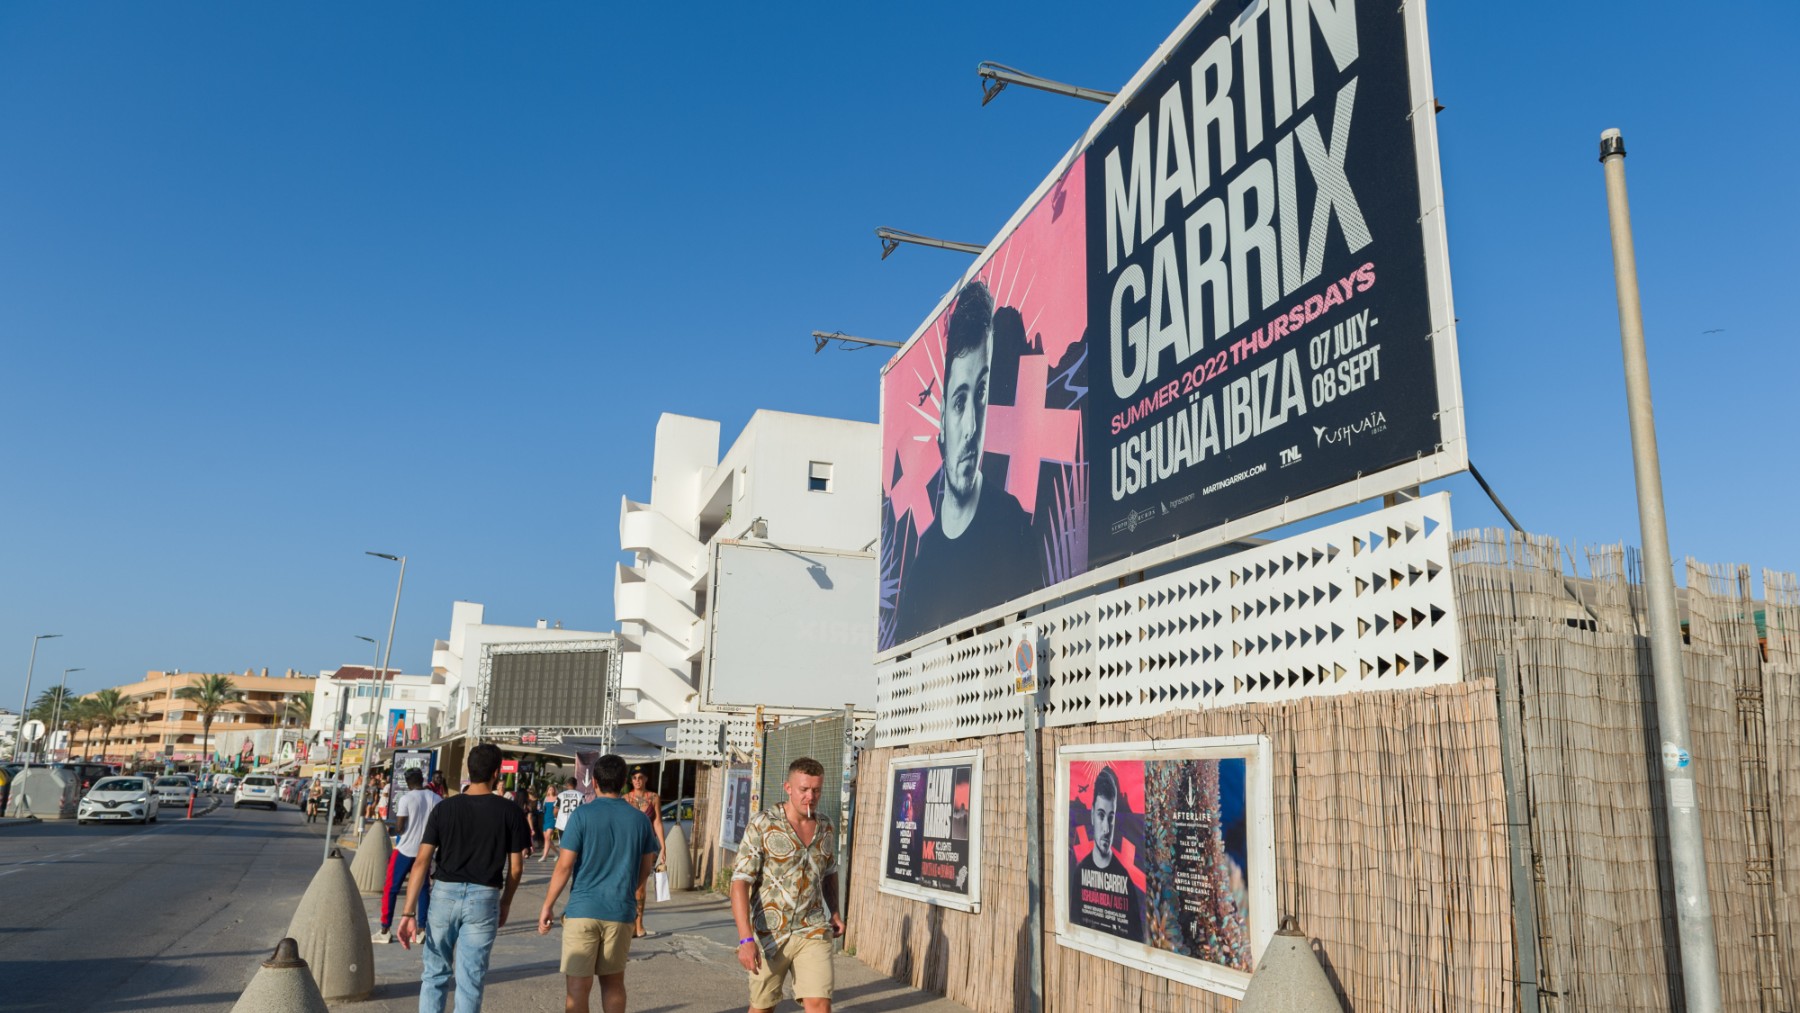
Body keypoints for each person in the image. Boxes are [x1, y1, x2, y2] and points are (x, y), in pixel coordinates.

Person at [896, 279, 1040, 642]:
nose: (973, 425)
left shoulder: (1015, 527)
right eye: (960, 402)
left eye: (982, 394)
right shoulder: (921, 567)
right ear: (942, 419)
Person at [395, 743, 532, 1013]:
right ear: (496, 773)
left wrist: (408, 913)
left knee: (434, 975)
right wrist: (505, 902)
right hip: (484, 897)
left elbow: (422, 861)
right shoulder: (510, 812)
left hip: (444, 894)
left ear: (470, 772)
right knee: (471, 979)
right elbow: (516, 869)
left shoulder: (445, 809)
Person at [538, 754, 660, 1013]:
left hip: (582, 910)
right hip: (620, 912)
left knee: (577, 988)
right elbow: (645, 869)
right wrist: (628, 890)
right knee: (614, 983)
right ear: (625, 782)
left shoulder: (582, 815)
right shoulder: (639, 820)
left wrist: (547, 905)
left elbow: (564, 865)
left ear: (594, 781)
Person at [731, 757, 843, 1013]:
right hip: (769, 933)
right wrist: (745, 938)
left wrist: (834, 912)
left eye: (816, 790)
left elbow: (829, 872)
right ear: (788, 787)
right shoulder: (763, 824)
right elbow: (739, 883)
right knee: (763, 1007)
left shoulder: (825, 827)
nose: (810, 797)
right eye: (804, 789)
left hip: (812, 928)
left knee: (819, 1005)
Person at [1069, 765, 1145, 942]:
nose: (1106, 828)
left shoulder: (1125, 880)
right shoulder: (1080, 874)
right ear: (1092, 816)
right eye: (1101, 815)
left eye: (1111, 817)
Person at [374, 768, 441, 944]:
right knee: (423, 889)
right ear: (422, 779)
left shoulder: (406, 799)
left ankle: (385, 929)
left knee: (391, 888)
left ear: (407, 782)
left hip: (404, 850)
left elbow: (401, 827)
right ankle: (421, 930)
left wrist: (395, 827)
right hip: (424, 851)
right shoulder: (436, 798)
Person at [622, 767, 666, 937]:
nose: (637, 780)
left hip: (647, 845)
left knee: (641, 887)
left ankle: (638, 924)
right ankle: (627, 922)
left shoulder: (654, 797)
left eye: (640, 777)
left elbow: (657, 823)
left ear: (646, 778)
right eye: (634, 777)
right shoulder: (625, 798)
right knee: (627, 885)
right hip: (629, 845)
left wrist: (663, 846)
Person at [548, 777, 583, 861]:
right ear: (576, 785)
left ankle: (563, 859)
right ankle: (574, 859)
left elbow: (555, 810)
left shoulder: (561, 795)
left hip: (562, 823)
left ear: (567, 785)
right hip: (575, 823)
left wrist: (557, 818)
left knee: (563, 843)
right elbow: (583, 810)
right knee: (575, 842)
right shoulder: (580, 795)